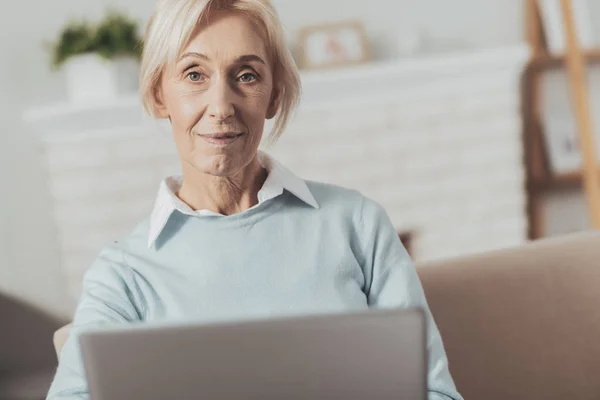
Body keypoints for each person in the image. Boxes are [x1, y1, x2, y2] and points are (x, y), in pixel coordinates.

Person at [47, 1, 463, 399]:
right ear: (159, 95)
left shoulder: (358, 224)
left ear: (274, 95)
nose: (221, 106)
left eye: (246, 76)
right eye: (194, 75)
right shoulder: (122, 274)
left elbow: (435, 391)